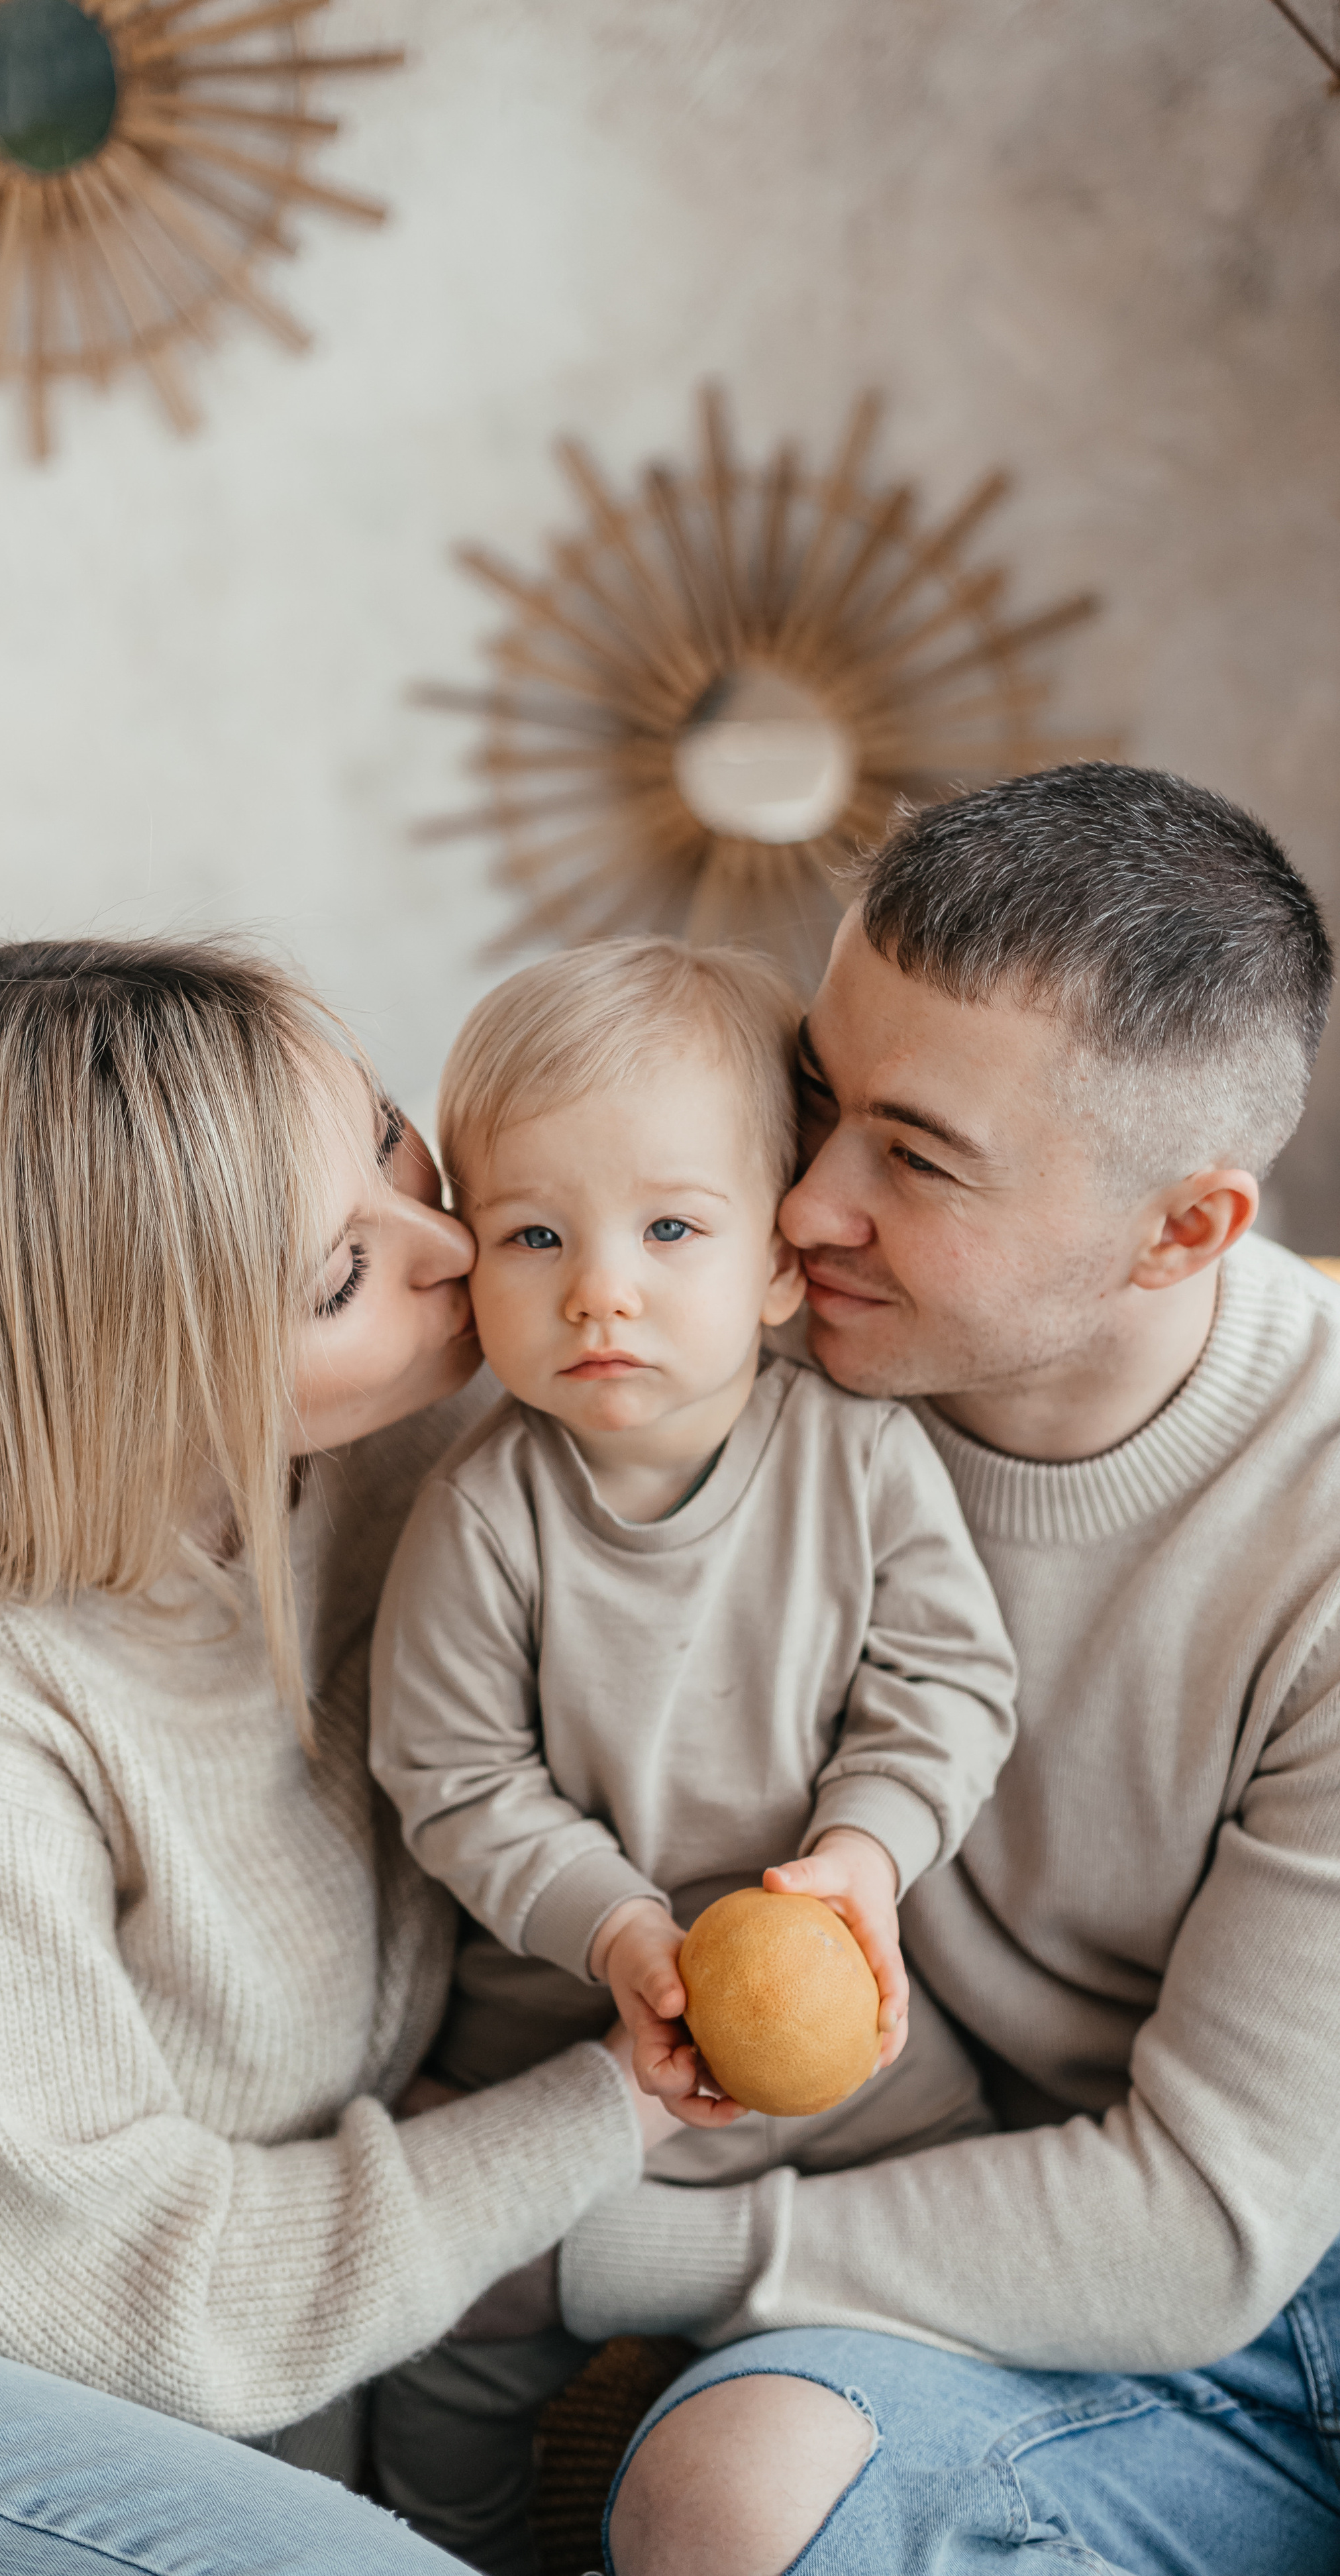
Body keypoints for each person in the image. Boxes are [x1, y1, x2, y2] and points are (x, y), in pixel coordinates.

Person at [0, 936, 671, 2576]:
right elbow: (131, 2300)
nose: (450, 1241)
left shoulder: (396, 1433)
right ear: (129, 1369)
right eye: (337, 1272)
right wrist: (608, 2108)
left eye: (388, 1137)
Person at [571, 767, 1340, 2575]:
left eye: (913, 1156)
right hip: (1074, 2318)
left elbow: (1205, 2219)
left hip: (1256, 2228)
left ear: (1183, 1231)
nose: (812, 1205)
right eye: (818, 1099)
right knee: (726, 2497)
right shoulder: (717, 1373)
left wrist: (611, 2254)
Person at [366, 938, 1019, 2571]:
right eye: (533, 1235)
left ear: (783, 1263)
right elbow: (451, 1777)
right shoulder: (483, 1512)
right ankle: (447, 2546)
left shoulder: (857, 1454)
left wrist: (861, 1858)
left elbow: (944, 1686)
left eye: (669, 1229)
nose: (600, 1287)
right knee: (444, 2352)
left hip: (860, 2052)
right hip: (561, 2049)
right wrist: (614, 1931)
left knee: (938, 2276)